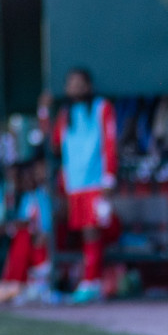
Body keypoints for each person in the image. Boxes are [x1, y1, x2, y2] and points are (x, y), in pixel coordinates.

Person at [43, 67, 117, 300]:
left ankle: (92, 282)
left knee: (91, 231)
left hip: (96, 181)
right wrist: (44, 112)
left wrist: (109, 177)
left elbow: (110, 141)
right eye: (70, 83)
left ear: (88, 86)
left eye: (78, 83)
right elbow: (54, 143)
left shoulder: (101, 108)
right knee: (81, 233)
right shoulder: (65, 115)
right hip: (74, 185)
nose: (73, 88)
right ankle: (85, 279)